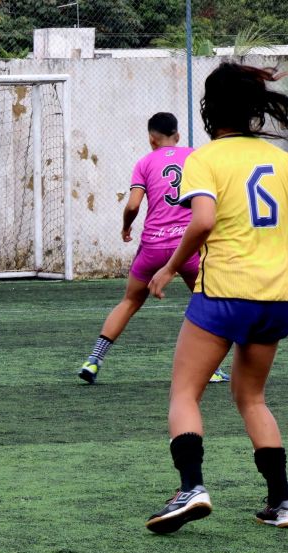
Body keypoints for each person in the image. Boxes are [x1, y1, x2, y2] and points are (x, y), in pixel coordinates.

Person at [144, 62, 288, 534]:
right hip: (273, 299)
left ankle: (191, 488)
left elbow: (202, 222)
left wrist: (167, 267)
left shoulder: (204, 159)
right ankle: (283, 502)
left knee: (185, 392)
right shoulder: (281, 159)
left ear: (211, 108)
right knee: (252, 398)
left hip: (223, 293)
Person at [78, 112, 230, 385]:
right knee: (207, 302)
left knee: (129, 302)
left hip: (152, 247)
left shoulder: (144, 162)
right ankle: (212, 369)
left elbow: (134, 205)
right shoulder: (196, 157)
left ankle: (93, 360)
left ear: (151, 139)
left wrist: (126, 227)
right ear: (178, 136)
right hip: (187, 247)